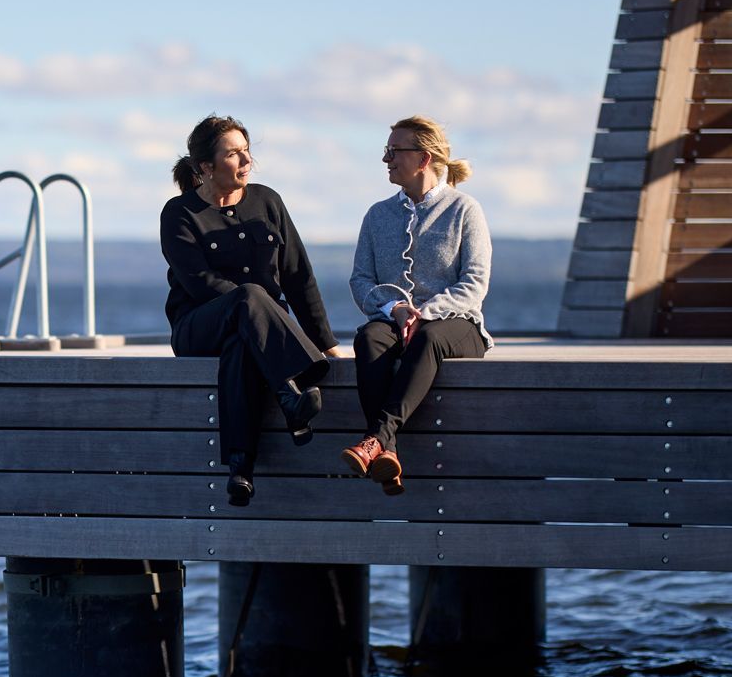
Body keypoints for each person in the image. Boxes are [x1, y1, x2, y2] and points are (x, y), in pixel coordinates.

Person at [160, 115, 336, 507]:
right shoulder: (179, 213)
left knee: (242, 347)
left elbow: (298, 275)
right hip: (197, 327)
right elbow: (201, 285)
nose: (245, 160)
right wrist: (259, 308)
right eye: (233, 153)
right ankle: (288, 391)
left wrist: (326, 343)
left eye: (247, 151)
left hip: (258, 335)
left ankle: (241, 469)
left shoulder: (267, 201)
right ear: (206, 167)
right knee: (249, 298)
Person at [343, 114, 492, 496]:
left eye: (394, 151)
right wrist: (394, 308)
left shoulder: (465, 210)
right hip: (393, 319)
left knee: (427, 339)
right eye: (386, 151)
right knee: (368, 340)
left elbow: (474, 283)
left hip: (458, 326)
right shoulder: (377, 215)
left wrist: (424, 314)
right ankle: (387, 455)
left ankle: (377, 438)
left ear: (423, 158)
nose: (386, 160)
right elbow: (361, 281)